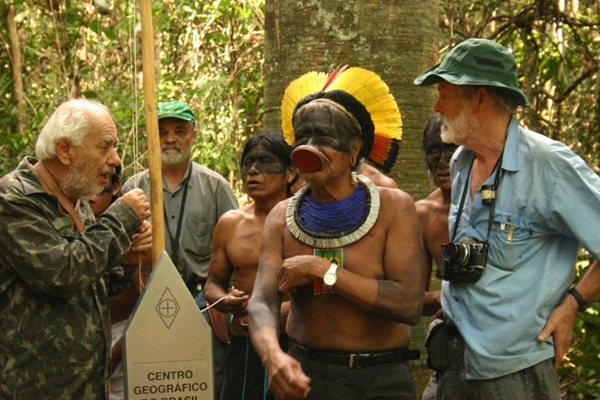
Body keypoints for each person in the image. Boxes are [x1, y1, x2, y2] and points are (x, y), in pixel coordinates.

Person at [414, 38, 600, 399]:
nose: (437, 106)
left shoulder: (549, 165)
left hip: (513, 371)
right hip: (452, 362)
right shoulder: (461, 162)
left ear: (480, 98)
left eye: (444, 93)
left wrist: (573, 303)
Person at [249, 66, 425, 400]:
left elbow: (407, 304)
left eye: (324, 138)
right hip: (306, 376)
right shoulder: (279, 218)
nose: (309, 147)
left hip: (382, 380)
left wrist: (323, 271)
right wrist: (273, 358)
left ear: (354, 150)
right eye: (301, 138)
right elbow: (262, 299)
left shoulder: (394, 208)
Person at [0, 98, 152, 399]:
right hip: (35, 389)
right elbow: (61, 273)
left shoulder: (77, 199)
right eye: (104, 147)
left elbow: (96, 282)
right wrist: (121, 218)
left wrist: (126, 258)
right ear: (65, 150)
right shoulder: (13, 198)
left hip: (86, 387)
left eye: (115, 147)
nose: (115, 159)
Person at [121, 100, 238, 399]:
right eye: (160, 131)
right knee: (155, 385)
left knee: (206, 384)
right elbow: (119, 254)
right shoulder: (132, 190)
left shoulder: (216, 187)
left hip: (205, 303)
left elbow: (239, 249)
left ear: (193, 135)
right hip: (149, 301)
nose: (169, 139)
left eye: (179, 130)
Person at [204, 132, 297, 400]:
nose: (253, 171)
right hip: (244, 345)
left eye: (265, 163)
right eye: (248, 163)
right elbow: (212, 284)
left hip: (297, 342)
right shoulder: (231, 223)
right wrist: (225, 301)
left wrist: (278, 312)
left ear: (290, 173)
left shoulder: (307, 220)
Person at [414, 115, 458, 400]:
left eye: (450, 149)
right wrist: (446, 297)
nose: (442, 160)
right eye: (434, 150)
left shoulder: (496, 201)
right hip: (451, 346)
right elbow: (411, 299)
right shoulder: (423, 213)